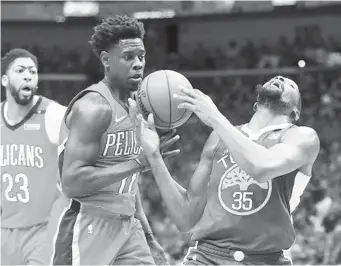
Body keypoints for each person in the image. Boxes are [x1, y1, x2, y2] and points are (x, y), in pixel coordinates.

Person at [132, 76, 320, 265]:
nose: (279, 78)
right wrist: (154, 157)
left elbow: (261, 168)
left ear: (295, 112)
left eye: (291, 84)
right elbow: (186, 218)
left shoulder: (301, 137)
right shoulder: (218, 137)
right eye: (276, 77)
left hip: (266, 260)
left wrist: (214, 117)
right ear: (256, 104)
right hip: (207, 258)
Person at [52, 15, 179, 265]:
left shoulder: (135, 107)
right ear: (106, 60)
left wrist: (148, 236)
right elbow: (72, 183)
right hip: (88, 223)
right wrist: (139, 162)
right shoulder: (94, 107)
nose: (138, 64)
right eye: (128, 57)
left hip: (128, 226)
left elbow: (129, 185)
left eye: (141, 56)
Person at [1, 48, 67, 265]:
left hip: (42, 231)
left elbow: (89, 132)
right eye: (20, 70)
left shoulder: (53, 114)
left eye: (33, 71)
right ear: (4, 80)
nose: (28, 75)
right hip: (4, 230)